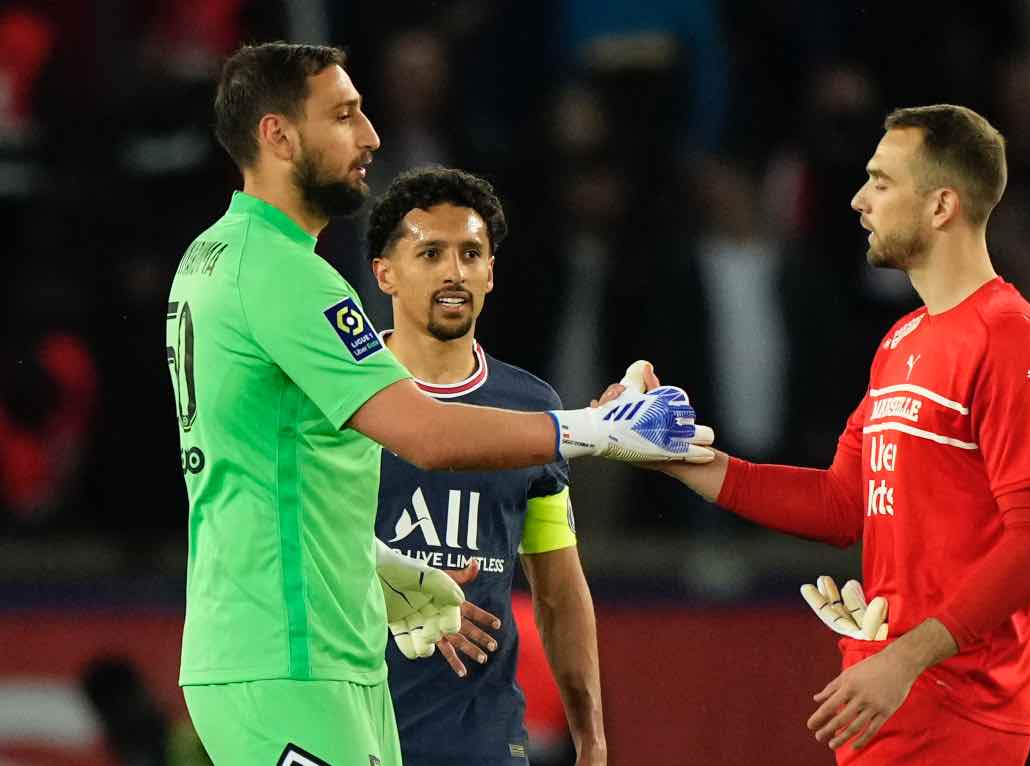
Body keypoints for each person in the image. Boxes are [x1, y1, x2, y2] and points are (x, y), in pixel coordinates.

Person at [167, 42, 707, 766]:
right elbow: (422, 431)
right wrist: (596, 430)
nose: (371, 137)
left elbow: (267, 465)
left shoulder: (217, 255)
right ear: (278, 135)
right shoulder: (287, 276)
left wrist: (383, 570)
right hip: (287, 657)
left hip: (322, 651)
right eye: (345, 115)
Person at [625, 104, 1030, 764]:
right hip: (885, 697)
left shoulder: (1011, 341)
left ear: (942, 205)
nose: (860, 200)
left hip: (960, 709)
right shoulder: (900, 341)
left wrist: (907, 657)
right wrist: (672, 458)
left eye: (882, 182)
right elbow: (841, 502)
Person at [366, 167, 605, 765]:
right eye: (431, 252)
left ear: (491, 273)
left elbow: (558, 587)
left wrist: (592, 737)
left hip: (481, 738)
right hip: (355, 729)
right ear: (384, 273)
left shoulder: (531, 408)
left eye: (471, 253)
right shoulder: (339, 396)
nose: (454, 271)